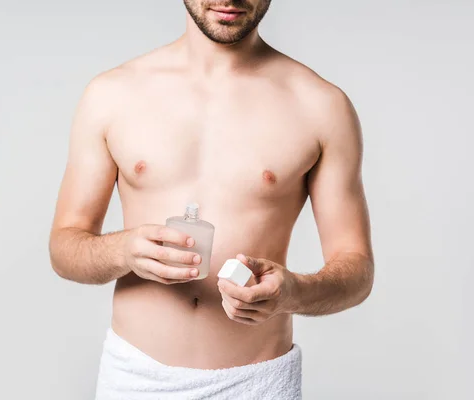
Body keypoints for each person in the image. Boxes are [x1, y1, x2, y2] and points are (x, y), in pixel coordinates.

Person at [48, 0, 375, 398]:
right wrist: (123, 250)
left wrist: (292, 292)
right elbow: (65, 247)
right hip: (136, 378)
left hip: (256, 382)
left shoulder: (320, 106)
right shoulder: (112, 95)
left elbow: (356, 268)